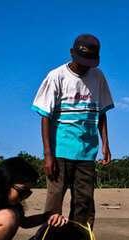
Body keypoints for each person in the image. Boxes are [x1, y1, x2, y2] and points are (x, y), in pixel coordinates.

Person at [32, 33, 114, 227]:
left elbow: (101, 112)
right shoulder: (56, 76)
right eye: (81, 61)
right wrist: (48, 155)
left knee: (83, 204)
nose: (84, 66)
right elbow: (45, 116)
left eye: (89, 62)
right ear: (71, 53)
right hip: (60, 150)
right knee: (54, 203)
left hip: (87, 152)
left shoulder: (98, 76)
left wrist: (106, 145)